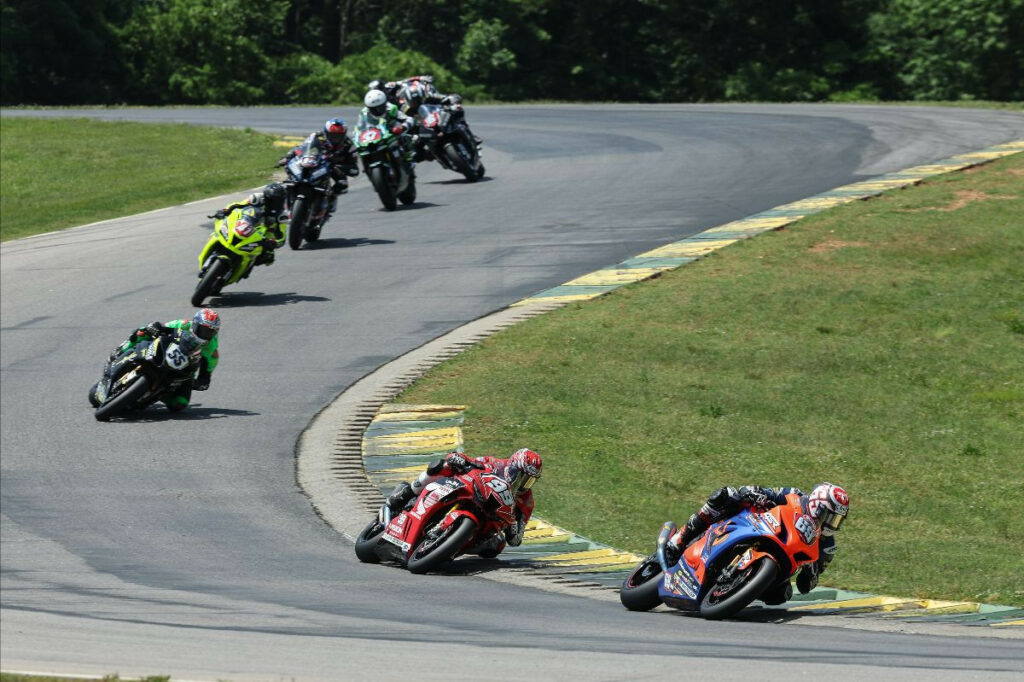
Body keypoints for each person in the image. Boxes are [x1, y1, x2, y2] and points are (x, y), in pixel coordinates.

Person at [663, 483, 849, 604]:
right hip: (760, 527)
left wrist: (811, 572)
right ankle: (681, 537)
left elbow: (805, 587)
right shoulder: (795, 496)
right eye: (830, 516)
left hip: (782, 564)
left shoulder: (827, 545)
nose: (832, 524)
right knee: (726, 495)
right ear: (817, 504)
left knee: (781, 596)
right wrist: (755, 493)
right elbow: (766, 491)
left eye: (837, 520)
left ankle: (736, 590)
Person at [385, 448, 543, 557]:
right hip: (472, 495)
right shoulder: (497, 464)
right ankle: (408, 492)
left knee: (496, 546)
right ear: (512, 466)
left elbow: (516, 540)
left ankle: (450, 547)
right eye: (522, 476)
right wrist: (459, 458)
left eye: (529, 481)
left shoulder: (526, 502)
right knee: (442, 466)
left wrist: (513, 526)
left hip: (488, 523)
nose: (523, 484)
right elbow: (474, 461)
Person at [89, 308, 221, 411]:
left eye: (210, 332)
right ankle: (121, 350)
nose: (206, 335)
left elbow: (206, 376)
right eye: (203, 330)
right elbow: (162, 328)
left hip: (182, 372)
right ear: (195, 324)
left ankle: (155, 395)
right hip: (166, 353)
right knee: (143, 331)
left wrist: (199, 382)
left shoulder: (212, 351)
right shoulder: (184, 324)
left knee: (180, 405)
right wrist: (155, 327)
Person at [276, 118, 360, 217]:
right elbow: (301, 148)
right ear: (326, 132)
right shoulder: (317, 136)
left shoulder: (348, 145)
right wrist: (288, 156)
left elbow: (354, 169)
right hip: (314, 162)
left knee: (342, 185)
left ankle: (329, 202)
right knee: (290, 175)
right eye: (332, 135)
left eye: (338, 136)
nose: (335, 139)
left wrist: (341, 167)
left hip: (333, 168)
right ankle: (285, 201)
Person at [209, 182, 287, 265]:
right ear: (266, 197)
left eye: (279, 200)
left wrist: (274, 242)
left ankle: (247, 266)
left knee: (268, 257)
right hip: (245, 223)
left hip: (263, 237)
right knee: (219, 229)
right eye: (273, 200)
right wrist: (225, 210)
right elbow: (237, 204)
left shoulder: (281, 216)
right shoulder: (256, 198)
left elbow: (282, 237)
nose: (275, 203)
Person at [361, 89, 417, 164]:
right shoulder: (364, 113)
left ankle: (408, 157)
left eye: (380, 107)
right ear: (368, 108)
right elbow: (360, 126)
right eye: (374, 109)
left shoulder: (391, 108)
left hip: (391, 132)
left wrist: (402, 127)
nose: (377, 111)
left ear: (385, 104)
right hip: (374, 135)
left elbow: (409, 119)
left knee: (407, 137)